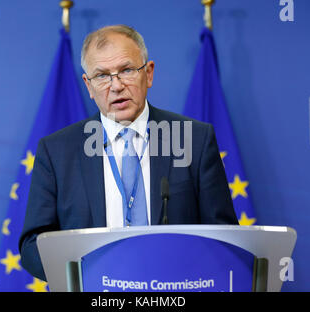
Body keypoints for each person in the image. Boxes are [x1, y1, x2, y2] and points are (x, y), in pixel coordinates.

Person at [19, 25, 237, 281]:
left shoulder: (194, 140)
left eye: (126, 70)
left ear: (149, 73)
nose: (116, 86)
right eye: (102, 75)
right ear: (88, 85)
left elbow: (224, 237)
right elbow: (33, 246)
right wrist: (87, 276)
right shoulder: (57, 151)